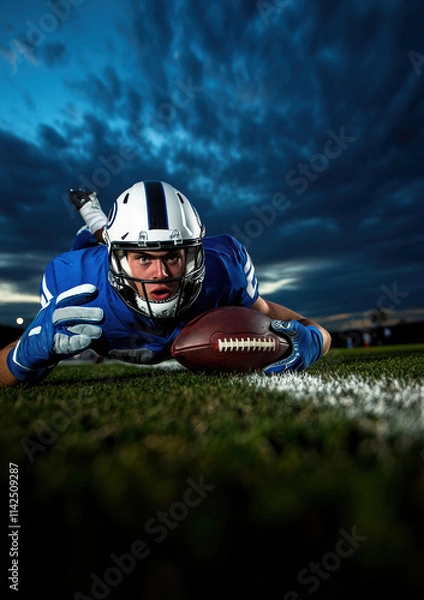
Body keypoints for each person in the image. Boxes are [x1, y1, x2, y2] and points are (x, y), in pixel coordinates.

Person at [0, 180, 331, 387]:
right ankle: (91, 211)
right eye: (143, 258)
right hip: (97, 252)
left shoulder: (223, 270)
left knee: (121, 238)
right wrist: (23, 356)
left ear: (196, 253)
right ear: (118, 260)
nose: (159, 274)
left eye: (173, 256)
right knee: (102, 236)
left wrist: (315, 340)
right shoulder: (77, 283)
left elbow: (303, 326)